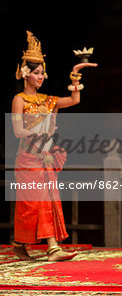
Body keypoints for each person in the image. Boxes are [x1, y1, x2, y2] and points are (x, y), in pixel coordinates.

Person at [11, 30, 97, 261]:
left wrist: (75, 76)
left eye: (42, 73)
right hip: (28, 158)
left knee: (46, 199)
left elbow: (74, 100)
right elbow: (18, 131)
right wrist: (40, 142)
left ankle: (49, 247)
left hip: (44, 158)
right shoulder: (20, 100)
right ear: (25, 74)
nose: (41, 76)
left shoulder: (48, 100)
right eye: (37, 73)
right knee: (31, 204)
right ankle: (37, 245)